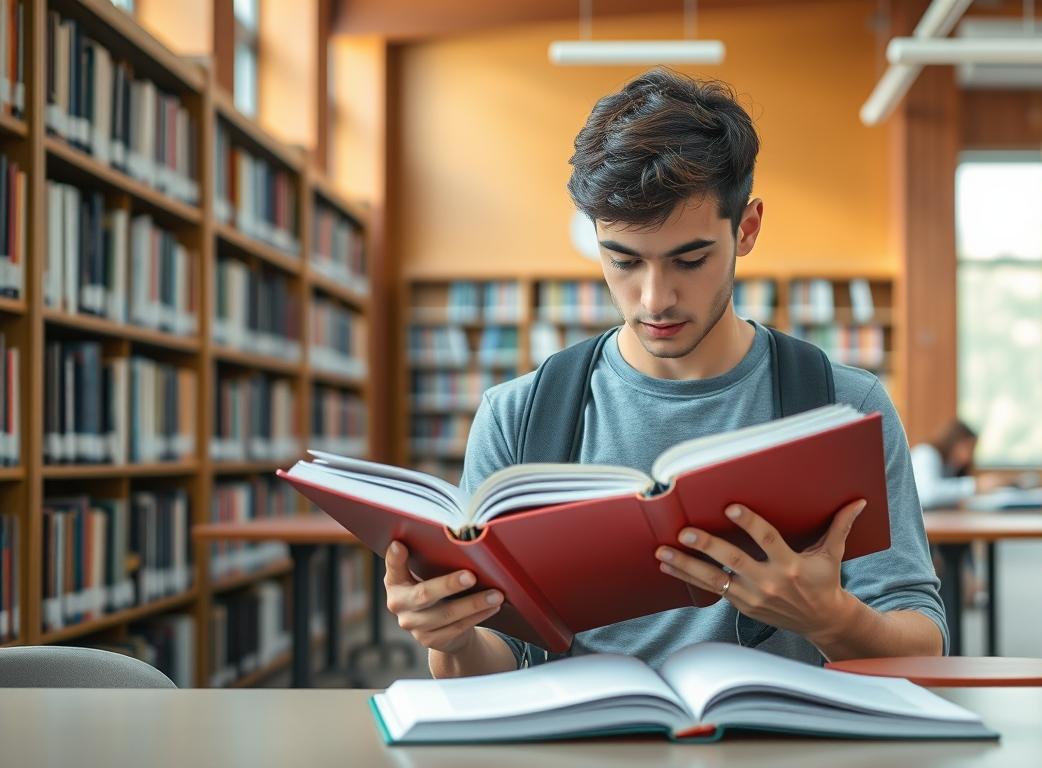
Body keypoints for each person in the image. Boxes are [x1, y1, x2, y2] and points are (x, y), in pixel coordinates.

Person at [383, 68, 947, 679]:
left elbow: (921, 647)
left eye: (691, 259)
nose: (654, 299)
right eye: (623, 260)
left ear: (747, 229)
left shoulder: (844, 406)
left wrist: (830, 618)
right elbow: (493, 664)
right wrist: (453, 640)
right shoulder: (517, 415)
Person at [909, 419, 979, 510]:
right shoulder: (926, 453)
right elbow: (928, 495)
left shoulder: (951, 467)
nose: (969, 455)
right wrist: (974, 485)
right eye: (967, 447)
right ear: (952, 442)